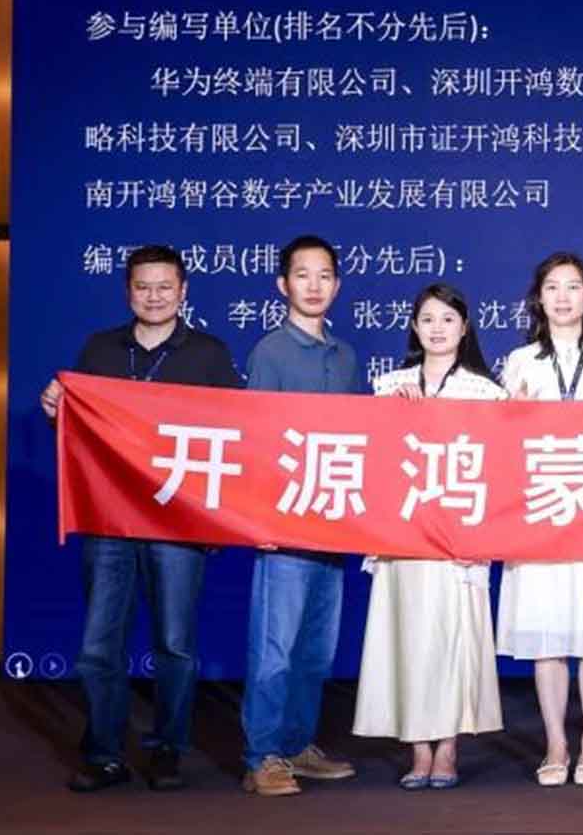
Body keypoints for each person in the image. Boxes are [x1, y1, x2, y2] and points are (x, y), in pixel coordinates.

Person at [40, 245, 243, 793]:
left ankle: (168, 749)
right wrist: (58, 409)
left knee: (175, 643)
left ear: (183, 291)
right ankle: (103, 753)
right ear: (128, 291)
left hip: (179, 524)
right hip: (109, 518)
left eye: (164, 286)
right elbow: (76, 431)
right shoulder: (100, 349)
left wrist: (218, 520)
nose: (154, 297)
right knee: (98, 645)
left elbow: (237, 436)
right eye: (143, 286)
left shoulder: (209, 354)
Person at [352, 283, 505, 789]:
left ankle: (449, 747)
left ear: (465, 327)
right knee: (407, 637)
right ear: (414, 328)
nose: (437, 329)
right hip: (403, 536)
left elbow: (497, 466)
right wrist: (396, 418)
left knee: (453, 639)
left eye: (447, 319)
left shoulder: (487, 392)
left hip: (458, 540)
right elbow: (371, 461)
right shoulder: (388, 387)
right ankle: (418, 747)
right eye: (427, 319)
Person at [495, 253, 583, 787]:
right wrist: (510, 415)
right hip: (541, 511)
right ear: (539, 299)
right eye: (552, 287)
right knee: (548, 633)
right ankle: (555, 742)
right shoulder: (520, 361)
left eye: (572, 287)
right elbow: (502, 446)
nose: (562, 297)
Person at [238, 235, 365, 797]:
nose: (314, 286)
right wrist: (259, 520)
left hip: (331, 525)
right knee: (275, 651)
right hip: (283, 528)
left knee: (314, 652)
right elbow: (256, 443)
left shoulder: (345, 356)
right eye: (302, 275)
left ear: (337, 285)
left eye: (324, 275)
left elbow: (360, 440)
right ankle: (261, 757)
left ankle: (295, 746)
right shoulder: (270, 353)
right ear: (282, 284)